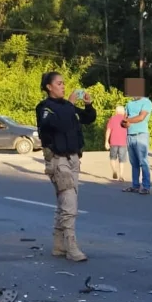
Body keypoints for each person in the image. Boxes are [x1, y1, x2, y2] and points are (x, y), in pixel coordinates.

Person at [36, 72, 96, 262]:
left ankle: (58, 245)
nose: (63, 86)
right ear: (49, 87)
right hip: (58, 160)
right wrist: (70, 105)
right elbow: (60, 124)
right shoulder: (45, 108)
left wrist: (88, 105)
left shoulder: (67, 108)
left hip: (73, 159)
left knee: (65, 203)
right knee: (70, 204)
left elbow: (87, 119)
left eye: (64, 83)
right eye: (59, 83)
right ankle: (71, 247)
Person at [121, 80, 152, 194]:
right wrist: (124, 123)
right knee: (134, 162)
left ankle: (146, 186)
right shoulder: (129, 104)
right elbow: (123, 119)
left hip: (141, 135)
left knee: (143, 161)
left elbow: (141, 117)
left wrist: (128, 120)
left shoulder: (147, 102)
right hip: (130, 135)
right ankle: (135, 185)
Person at [105, 105, 127, 180]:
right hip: (123, 142)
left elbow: (108, 130)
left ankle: (114, 170)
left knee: (112, 157)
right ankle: (121, 175)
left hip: (113, 142)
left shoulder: (112, 119)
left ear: (116, 111)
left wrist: (106, 141)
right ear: (123, 112)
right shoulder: (126, 119)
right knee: (122, 160)